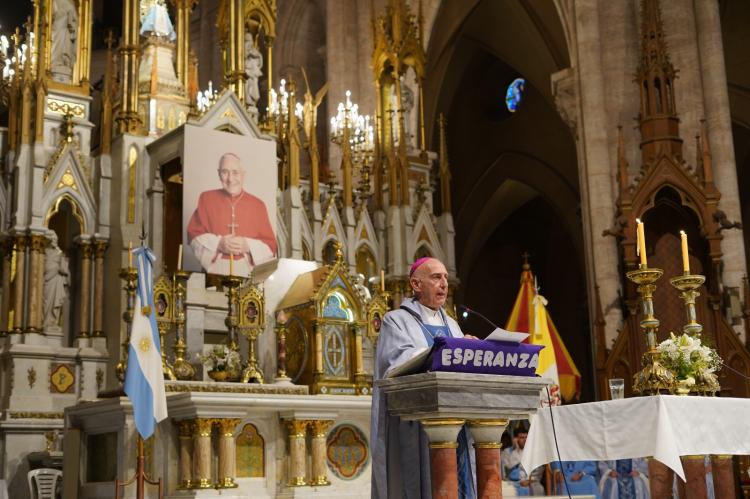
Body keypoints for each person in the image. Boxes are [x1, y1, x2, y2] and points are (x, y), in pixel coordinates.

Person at [371, 257, 476, 499]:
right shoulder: (396, 320)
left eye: (446, 278)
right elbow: (396, 363)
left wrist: (470, 351)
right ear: (416, 284)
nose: (444, 284)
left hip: (456, 420)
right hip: (418, 424)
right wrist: (446, 350)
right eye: (436, 277)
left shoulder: (451, 324)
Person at [187, 152, 277, 276]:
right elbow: (193, 237)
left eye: (235, 172)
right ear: (218, 174)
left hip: (248, 274)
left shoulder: (258, 205)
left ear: (243, 174)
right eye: (225, 172)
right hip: (215, 273)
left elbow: (271, 247)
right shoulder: (206, 199)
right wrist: (218, 244)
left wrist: (247, 245)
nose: (230, 179)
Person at [502, 425, 544, 496]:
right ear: (516, 439)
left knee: (539, 488)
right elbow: (508, 467)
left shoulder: (534, 453)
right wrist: (515, 449)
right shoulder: (507, 452)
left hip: (530, 481)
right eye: (522, 437)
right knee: (507, 490)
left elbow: (538, 471)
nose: (525, 440)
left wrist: (529, 481)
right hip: (512, 482)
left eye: (526, 437)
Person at [43, 232, 69, 331]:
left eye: (56, 239)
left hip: (56, 280)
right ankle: (45, 322)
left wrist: (61, 266)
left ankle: (52, 322)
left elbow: (64, 270)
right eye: (53, 238)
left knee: (55, 302)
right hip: (46, 280)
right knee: (46, 302)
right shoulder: (43, 251)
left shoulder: (60, 253)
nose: (55, 240)